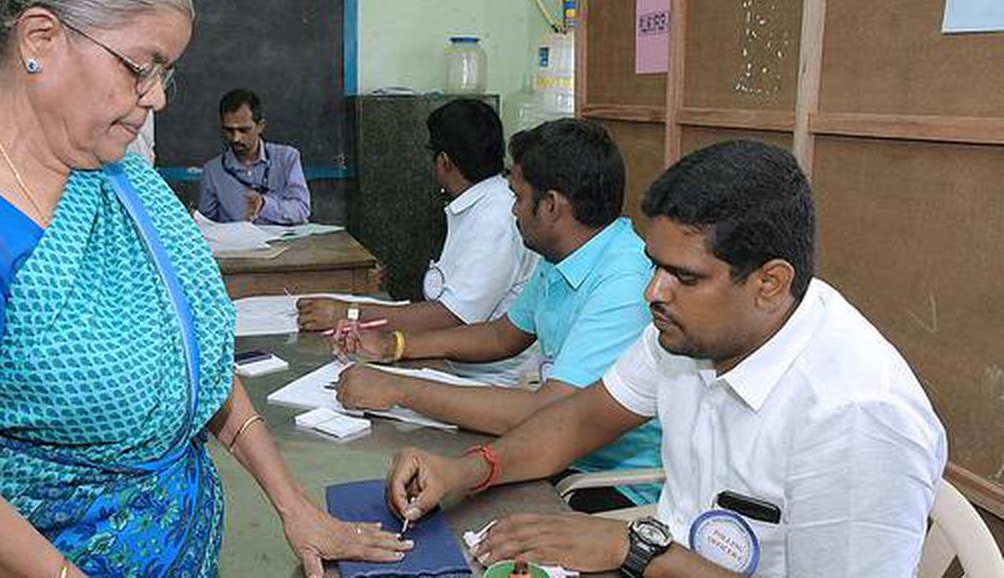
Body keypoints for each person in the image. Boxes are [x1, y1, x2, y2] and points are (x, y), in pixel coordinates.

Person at [0, 0, 407, 578]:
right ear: (41, 39)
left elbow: (189, 356)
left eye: (166, 71)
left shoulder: (121, 175)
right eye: (142, 66)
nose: (159, 95)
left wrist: (293, 504)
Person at [383, 140, 947, 578]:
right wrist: (465, 470)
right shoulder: (689, 332)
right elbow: (580, 420)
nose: (654, 291)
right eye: (655, 264)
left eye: (684, 276)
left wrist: (637, 551)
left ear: (770, 283)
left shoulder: (855, 415)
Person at [334, 118, 662, 509]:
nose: (513, 211)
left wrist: (398, 388)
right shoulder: (566, 254)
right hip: (554, 453)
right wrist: (395, 346)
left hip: (606, 484)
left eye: (519, 197)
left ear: (553, 206)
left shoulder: (625, 281)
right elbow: (500, 336)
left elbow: (551, 411)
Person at [296, 99, 538, 386]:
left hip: (487, 380)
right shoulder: (476, 204)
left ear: (444, 161)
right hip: (448, 360)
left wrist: (347, 312)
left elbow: (451, 316)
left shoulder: (496, 217)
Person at [195, 88, 310, 224]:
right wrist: (196, 221)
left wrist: (264, 205)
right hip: (239, 244)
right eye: (229, 130)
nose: (236, 138)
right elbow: (208, 223)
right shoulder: (212, 171)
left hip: (287, 243)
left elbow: (302, 209)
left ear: (260, 126)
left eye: (243, 130)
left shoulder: (287, 158)